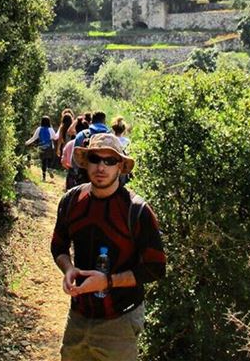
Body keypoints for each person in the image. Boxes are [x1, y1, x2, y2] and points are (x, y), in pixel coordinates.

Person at [51, 133, 166, 361]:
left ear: (120, 166)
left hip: (120, 319)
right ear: (86, 162)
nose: (101, 167)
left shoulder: (137, 211)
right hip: (79, 314)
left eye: (110, 161)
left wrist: (109, 281)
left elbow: (155, 268)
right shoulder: (71, 201)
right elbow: (59, 246)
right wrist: (68, 269)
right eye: (95, 159)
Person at [25, 115, 58, 181]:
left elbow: (34, 138)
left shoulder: (39, 129)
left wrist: (26, 143)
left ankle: (44, 177)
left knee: (43, 162)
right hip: (49, 147)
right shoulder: (50, 129)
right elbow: (55, 137)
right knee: (50, 160)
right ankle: (49, 168)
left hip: (42, 147)